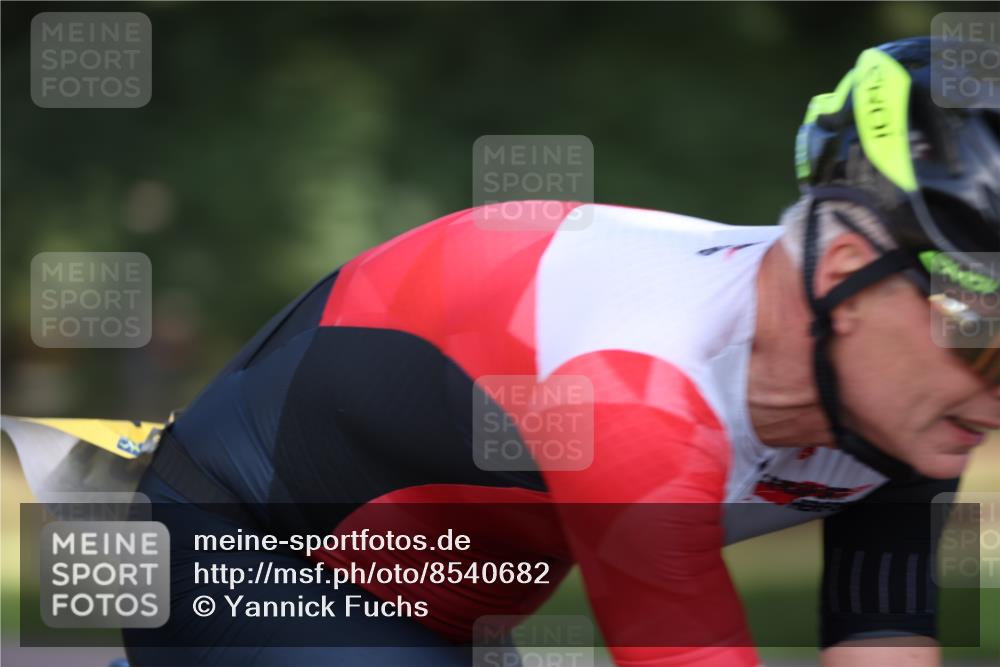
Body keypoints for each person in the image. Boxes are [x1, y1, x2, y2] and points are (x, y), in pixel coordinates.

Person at [122, 36, 999, 667]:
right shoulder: (643, 381)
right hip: (235, 542)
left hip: (446, 608)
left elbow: (882, 635)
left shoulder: (910, 397)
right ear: (845, 274)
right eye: (986, 339)